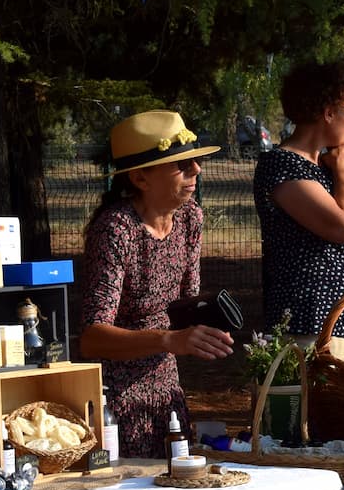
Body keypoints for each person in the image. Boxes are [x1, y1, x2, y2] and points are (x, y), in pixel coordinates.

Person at [80, 110, 234, 459]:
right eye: (182, 164)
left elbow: (185, 306)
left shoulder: (190, 216)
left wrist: (211, 323)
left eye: (194, 160)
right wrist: (170, 339)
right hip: (116, 400)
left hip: (168, 392)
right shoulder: (116, 230)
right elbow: (92, 338)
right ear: (140, 178)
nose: (196, 170)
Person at [254, 62, 344, 362]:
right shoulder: (282, 165)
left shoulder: (331, 170)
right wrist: (343, 173)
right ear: (328, 112)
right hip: (312, 326)